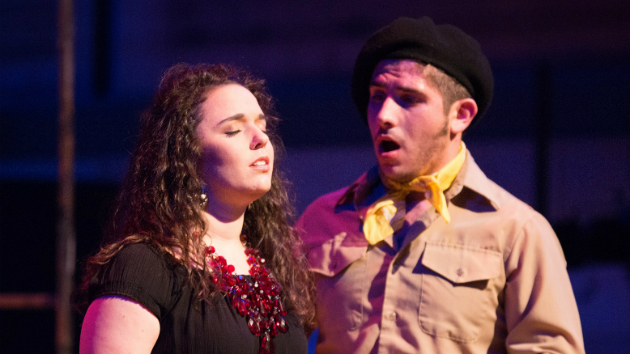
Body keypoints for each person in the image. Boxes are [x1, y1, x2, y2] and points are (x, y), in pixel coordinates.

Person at [296, 17, 585, 354]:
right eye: (377, 96)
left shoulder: (516, 231)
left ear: (460, 115)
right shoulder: (322, 219)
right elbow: (275, 336)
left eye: (408, 98)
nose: (384, 114)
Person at [75, 63, 315, 354]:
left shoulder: (274, 266)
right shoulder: (146, 266)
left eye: (263, 127)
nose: (261, 139)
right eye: (234, 129)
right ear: (189, 158)